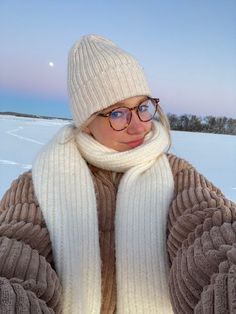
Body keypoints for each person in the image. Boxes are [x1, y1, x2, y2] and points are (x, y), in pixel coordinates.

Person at [0, 34, 235, 314]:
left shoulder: (177, 175)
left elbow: (208, 227)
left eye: (143, 107)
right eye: (117, 113)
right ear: (87, 123)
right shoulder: (37, 186)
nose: (138, 126)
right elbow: (16, 251)